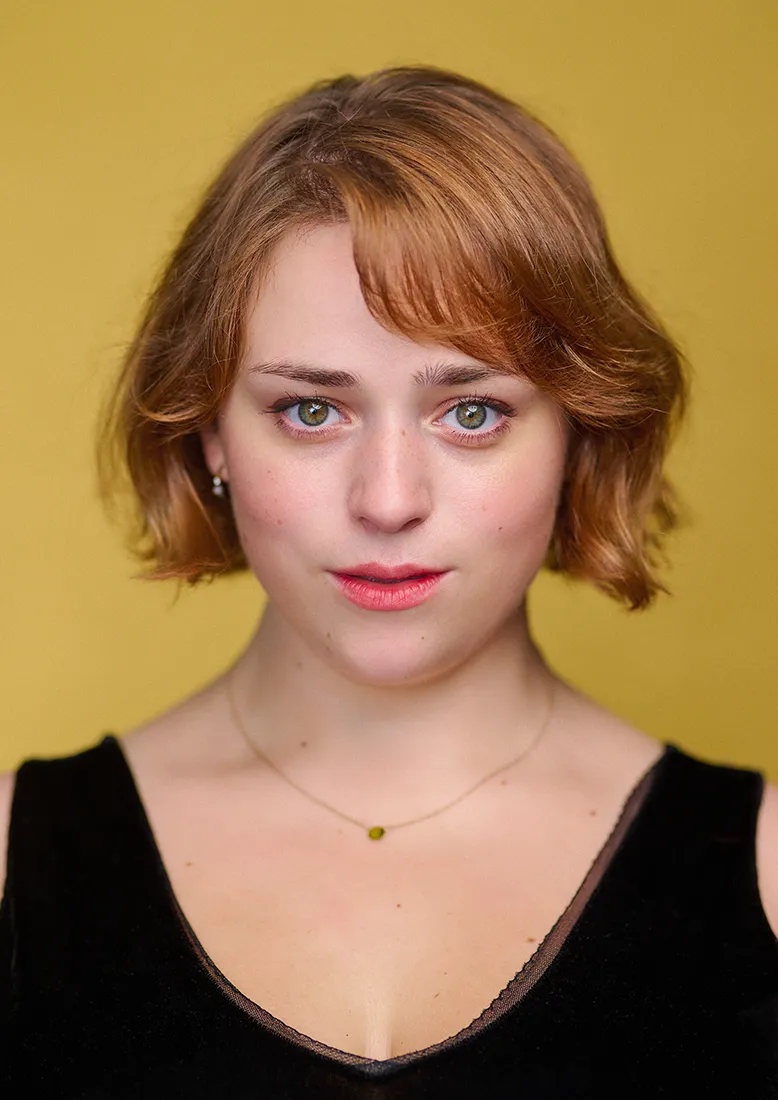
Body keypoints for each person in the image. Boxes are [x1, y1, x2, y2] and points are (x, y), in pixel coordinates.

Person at [1, 64, 776, 1098]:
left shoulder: (766, 869)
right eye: (311, 411)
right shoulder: (12, 860)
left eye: (473, 412)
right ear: (209, 431)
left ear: (578, 431)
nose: (388, 500)